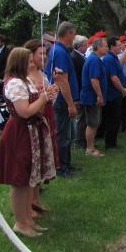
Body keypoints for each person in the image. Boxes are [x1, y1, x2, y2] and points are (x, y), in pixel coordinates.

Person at [0, 48, 59, 237]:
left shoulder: (24, 80)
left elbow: (36, 105)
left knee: (30, 178)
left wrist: (48, 95)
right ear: (19, 62)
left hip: (31, 130)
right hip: (20, 132)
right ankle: (20, 223)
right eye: (29, 61)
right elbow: (25, 111)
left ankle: (28, 218)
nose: (32, 64)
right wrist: (43, 98)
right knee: (19, 179)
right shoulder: (14, 83)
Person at [24, 39, 60, 217]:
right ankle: (28, 204)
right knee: (32, 161)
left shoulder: (42, 73)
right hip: (32, 120)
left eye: (45, 53)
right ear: (30, 54)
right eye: (41, 53)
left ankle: (36, 200)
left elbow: (48, 98)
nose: (44, 56)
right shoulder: (23, 76)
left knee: (41, 159)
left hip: (45, 117)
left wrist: (53, 90)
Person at [44, 22, 79, 177]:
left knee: (67, 134)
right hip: (61, 99)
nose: (75, 37)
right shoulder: (60, 52)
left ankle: (67, 164)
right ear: (68, 34)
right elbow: (62, 80)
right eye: (74, 34)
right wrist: (70, 104)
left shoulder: (59, 50)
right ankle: (61, 167)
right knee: (63, 135)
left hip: (61, 98)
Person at [81, 37, 109, 157]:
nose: (107, 48)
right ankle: (90, 149)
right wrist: (99, 95)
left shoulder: (95, 59)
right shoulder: (94, 60)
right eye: (106, 46)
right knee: (93, 123)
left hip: (92, 96)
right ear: (98, 47)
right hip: (92, 97)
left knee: (94, 122)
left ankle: (91, 146)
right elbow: (94, 79)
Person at [102, 36, 126, 149]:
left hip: (115, 94)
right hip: (112, 95)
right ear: (112, 47)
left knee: (116, 119)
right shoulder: (109, 59)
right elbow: (113, 77)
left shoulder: (114, 57)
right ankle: (110, 143)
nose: (121, 47)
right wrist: (122, 89)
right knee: (113, 119)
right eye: (118, 45)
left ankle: (112, 142)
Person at [71, 35, 88, 148]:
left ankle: (81, 139)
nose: (87, 47)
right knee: (81, 117)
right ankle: (79, 141)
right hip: (80, 91)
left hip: (81, 91)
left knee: (82, 116)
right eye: (86, 45)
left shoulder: (79, 56)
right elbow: (76, 77)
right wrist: (76, 97)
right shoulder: (75, 57)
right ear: (80, 46)